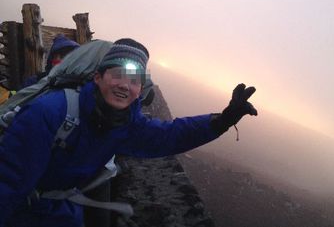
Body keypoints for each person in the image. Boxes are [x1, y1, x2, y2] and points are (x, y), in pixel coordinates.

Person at [0, 38, 257, 227]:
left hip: (62, 213)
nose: (125, 85)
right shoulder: (49, 112)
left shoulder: (125, 125)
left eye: (135, 81)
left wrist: (223, 120)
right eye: (117, 75)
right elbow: (8, 185)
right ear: (97, 77)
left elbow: (170, 135)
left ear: (140, 90)